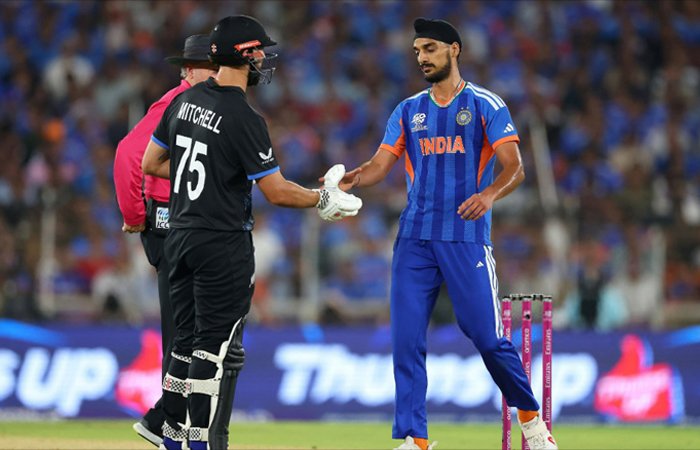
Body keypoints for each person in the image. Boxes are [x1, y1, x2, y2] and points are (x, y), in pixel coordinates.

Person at [333, 18, 558, 450]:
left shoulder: (485, 104)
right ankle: (415, 439)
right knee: (406, 341)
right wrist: (355, 178)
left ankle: (531, 419)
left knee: (486, 336)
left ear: (454, 49)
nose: (422, 57)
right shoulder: (408, 110)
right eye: (418, 50)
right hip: (414, 238)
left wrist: (489, 194)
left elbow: (515, 168)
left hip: (465, 236)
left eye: (430, 48)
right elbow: (380, 165)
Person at [141, 15, 361, 450]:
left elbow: (151, 163)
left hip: (179, 237)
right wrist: (322, 199)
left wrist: (212, 176)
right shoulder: (244, 117)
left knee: (182, 344)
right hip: (221, 242)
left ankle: (172, 439)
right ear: (241, 54)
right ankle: (200, 444)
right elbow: (277, 192)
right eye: (258, 50)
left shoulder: (183, 102)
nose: (263, 58)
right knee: (211, 351)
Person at [113, 34, 218, 447]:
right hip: (170, 223)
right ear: (189, 70)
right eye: (211, 68)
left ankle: (168, 421)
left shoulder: (198, 105)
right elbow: (128, 154)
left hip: (184, 223)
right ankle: (170, 426)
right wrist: (135, 217)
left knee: (189, 331)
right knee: (183, 333)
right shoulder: (177, 102)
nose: (218, 75)